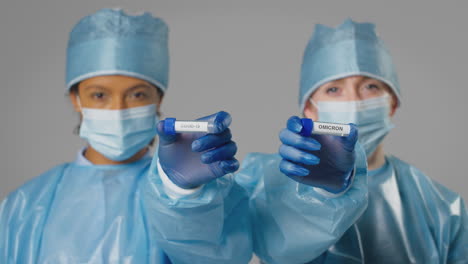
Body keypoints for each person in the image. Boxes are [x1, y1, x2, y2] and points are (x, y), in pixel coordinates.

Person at [0, 8, 252, 263]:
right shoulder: (26, 204)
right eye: (99, 95)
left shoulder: (195, 196)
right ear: (76, 99)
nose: (118, 109)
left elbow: (217, 257)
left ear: (158, 98)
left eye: (137, 94)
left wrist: (183, 196)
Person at [237, 19, 467, 263]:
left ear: (393, 103)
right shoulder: (269, 183)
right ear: (309, 109)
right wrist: (195, 195)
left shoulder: (443, 206)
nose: (354, 102)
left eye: (370, 86)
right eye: (334, 90)